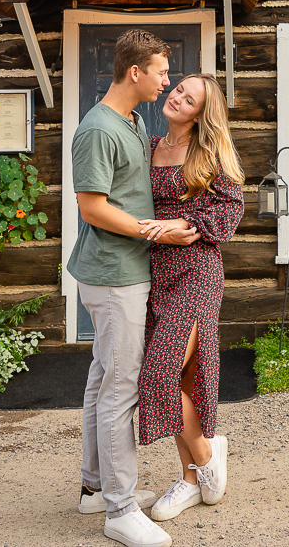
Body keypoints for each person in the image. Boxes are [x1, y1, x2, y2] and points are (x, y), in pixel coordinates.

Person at [68, 29, 196, 547]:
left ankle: (95, 488)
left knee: (103, 381)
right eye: (162, 72)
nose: (167, 82)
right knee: (122, 391)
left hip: (124, 272)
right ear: (135, 72)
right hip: (113, 276)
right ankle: (121, 511)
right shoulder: (97, 129)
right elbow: (92, 207)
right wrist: (157, 230)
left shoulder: (133, 120)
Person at [134, 72, 244, 522]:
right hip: (155, 271)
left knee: (158, 373)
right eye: (177, 88)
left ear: (202, 112)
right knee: (179, 380)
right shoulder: (149, 144)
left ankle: (206, 460)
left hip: (196, 271)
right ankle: (190, 480)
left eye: (190, 97)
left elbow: (232, 206)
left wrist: (190, 227)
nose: (177, 97)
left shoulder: (209, 151)